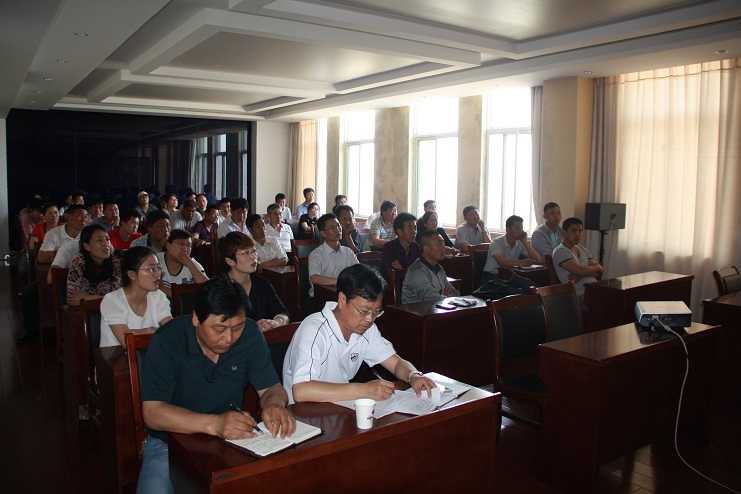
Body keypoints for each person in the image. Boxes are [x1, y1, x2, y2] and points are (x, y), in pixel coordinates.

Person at [137, 276, 295, 493]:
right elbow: (153, 413)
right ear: (196, 318)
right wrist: (214, 424)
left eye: (237, 327)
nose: (229, 338)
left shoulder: (250, 334)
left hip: (231, 438)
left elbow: (270, 388)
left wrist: (274, 403)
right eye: (219, 329)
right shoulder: (168, 340)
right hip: (169, 441)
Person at [283, 263, 436, 404]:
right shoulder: (314, 330)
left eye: (376, 312)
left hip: (339, 407)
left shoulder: (367, 330)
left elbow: (396, 363)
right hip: (304, 414)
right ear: (342, 299)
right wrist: (363, 390)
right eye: (363, 311)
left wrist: (413, 375)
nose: (369, 319)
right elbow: (301, 391)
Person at [99, 246, 173, 348]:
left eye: (158, 268)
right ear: (132, 275)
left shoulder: (157, 296)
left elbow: (172, 331)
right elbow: (128, 343)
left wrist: (148, 331)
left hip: (150, 354)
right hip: (117, 357)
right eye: (151, 269)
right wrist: (155, 331)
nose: (157, 274)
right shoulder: (112, 300)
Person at [218, 232, 291, 331]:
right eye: (245, 253)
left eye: (254, 251)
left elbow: (284, 314)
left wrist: (277, 322)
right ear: (229, 261)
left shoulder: (262, 283)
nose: (253, 257)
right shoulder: (218, 288)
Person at [552, 217, 604, 311]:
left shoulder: (583, 249)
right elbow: (581, 270)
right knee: (610, 306)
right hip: (578, 295)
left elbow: (599, 270)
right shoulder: (560, 251)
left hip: (593, 290)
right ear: (564, 233)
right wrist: (586, 271)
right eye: (574, 231)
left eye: (580, 231)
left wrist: (581, 274)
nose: (578, 235)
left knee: (620, 301)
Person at [66, 224, 123, 306]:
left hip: (110, 309)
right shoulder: (79, 261)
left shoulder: (115, 262)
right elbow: (73, 298)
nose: (106, 244)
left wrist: (88, 298)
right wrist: (105, 299)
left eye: (107, 239)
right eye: (99, 240)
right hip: (86, 310)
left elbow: (118, 297)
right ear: (87, 246)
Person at [402, 230, 460, 303]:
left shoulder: (439, 268)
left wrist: (444, 297)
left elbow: (455, 293)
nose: (443, 247)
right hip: (418, 309)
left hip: (436, 307)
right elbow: (431, 298)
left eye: (443, 243)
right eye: (440, 244)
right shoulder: (417, 271)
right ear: (426, 248)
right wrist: (445, 297)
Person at [308, 214, 358, 297]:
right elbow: (315, 278)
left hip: (345, 296)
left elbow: (358, 272)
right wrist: (340, 281)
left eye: (338, 226)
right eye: (332, 228)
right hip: (321, 297)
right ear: (323, 233)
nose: (337, 230)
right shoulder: (316, 254)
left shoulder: (348, 252)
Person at [482, 215, 541, 282]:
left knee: (532, 283)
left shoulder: (520, 243)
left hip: (509, 275)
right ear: (507, 229)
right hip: (492, 276)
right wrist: (522, 262)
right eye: (517, 228)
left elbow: (537, 259)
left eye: (521, 228)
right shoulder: (496, 242)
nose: (520, 231)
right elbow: (502, 262)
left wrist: (525, 242)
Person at [156, 229, 208, 299]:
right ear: (168, 245)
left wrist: (190, 264)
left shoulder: (192, 263)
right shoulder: (156, 261)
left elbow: (207, 289)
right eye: (181, 244)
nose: (185, 249)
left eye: (189, 246)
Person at [381, 212, 421, 280]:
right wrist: (407, 271)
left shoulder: (416, 247)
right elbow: (392, 274)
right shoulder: (389, 248)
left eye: (415, 228)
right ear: (399, 231)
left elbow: (419, 272)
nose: (414, 232)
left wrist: (402, 269)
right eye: (410, 228)